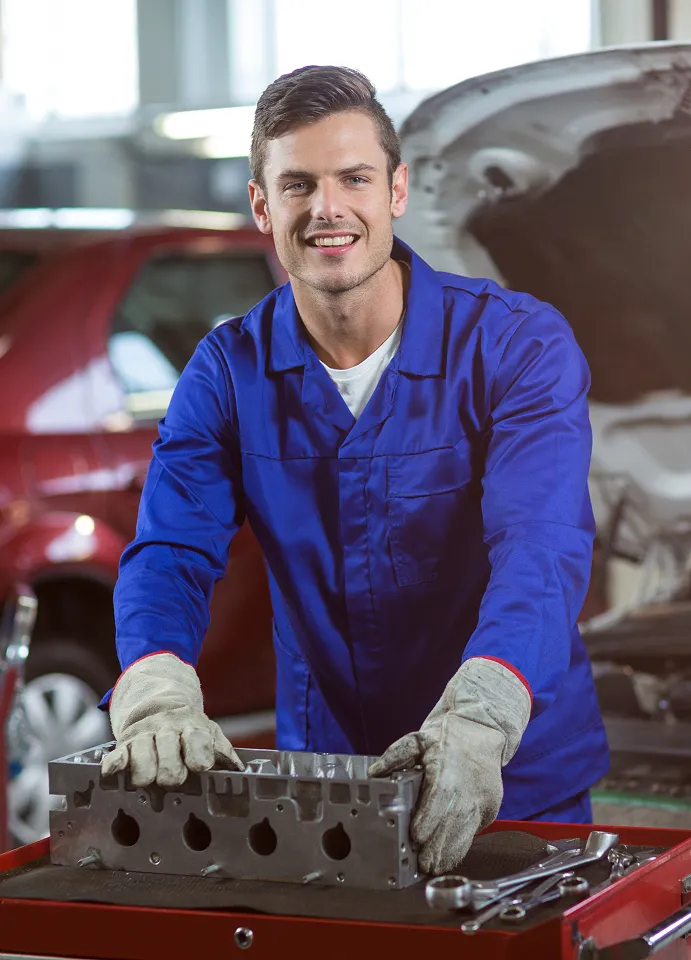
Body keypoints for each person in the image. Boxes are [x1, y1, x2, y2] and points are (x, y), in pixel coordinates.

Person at [100, 65, 609, 875]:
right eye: (297, 184)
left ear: (396, 191)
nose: (327, 208)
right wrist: (156, 684)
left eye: (354, 178)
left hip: (512, 773)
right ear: (262, 206)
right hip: (331, 786)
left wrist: (482, 718)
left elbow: (540, 546)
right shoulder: (229, 372)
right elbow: (170, 551)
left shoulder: (516, 346)